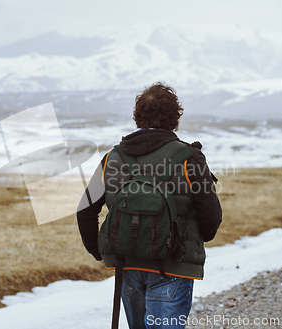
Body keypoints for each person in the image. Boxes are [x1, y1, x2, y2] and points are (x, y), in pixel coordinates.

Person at [77, 82, 222, 329]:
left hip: (127, 264)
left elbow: (86, 209)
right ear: (175, 118)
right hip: (174, 266)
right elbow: (211, 217)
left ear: (138, 117)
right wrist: (194, 240)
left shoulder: (112, 158)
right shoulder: (190, 159)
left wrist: (99, 251)